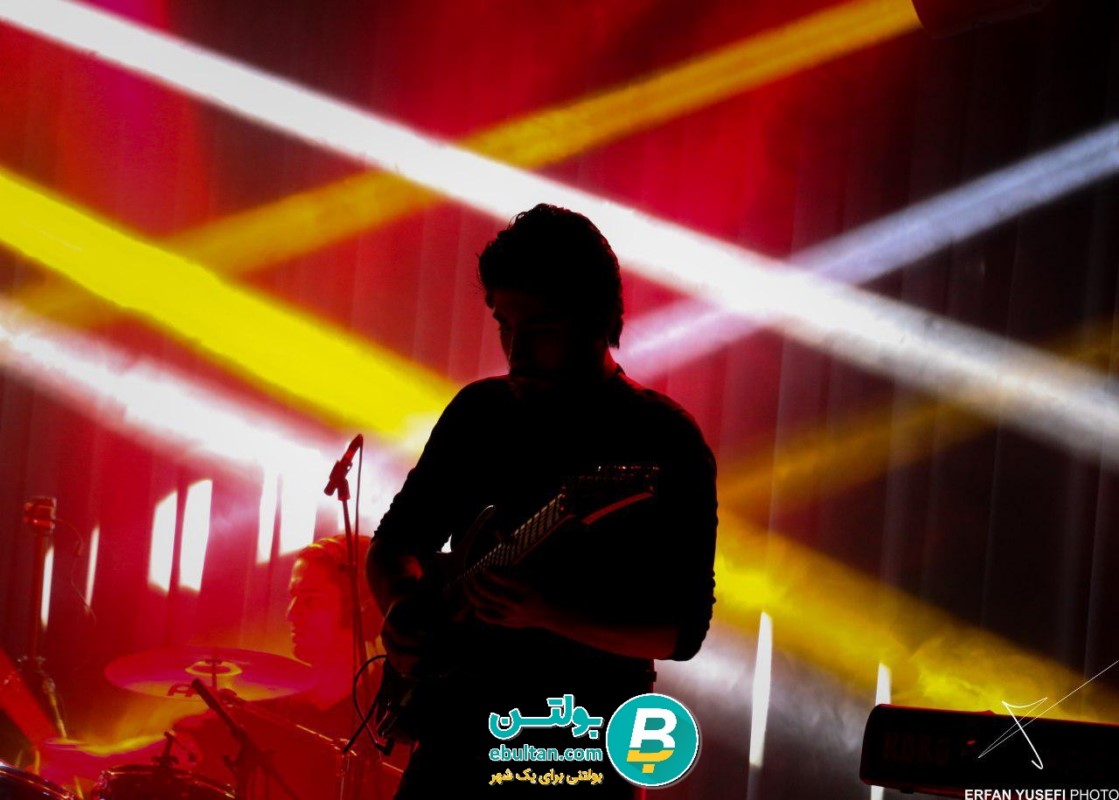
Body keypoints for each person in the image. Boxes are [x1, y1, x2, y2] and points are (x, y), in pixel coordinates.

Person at [366, 204, 718, 798]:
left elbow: (680, 631)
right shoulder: (479, 413)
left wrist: (549, 612)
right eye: (504, 324)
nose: (517, 347)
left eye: (542, 327)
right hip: (453, 741)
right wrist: (403, 606)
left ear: (598, 319)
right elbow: (396, 542)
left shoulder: (662, 438)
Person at [39, 534, 403, 800]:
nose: (291, 614)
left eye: (309, 600)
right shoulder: (265, 711)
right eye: (292, 598)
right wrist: (92, 758)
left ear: (362, 609)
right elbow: (179, 749)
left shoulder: (401, 720)